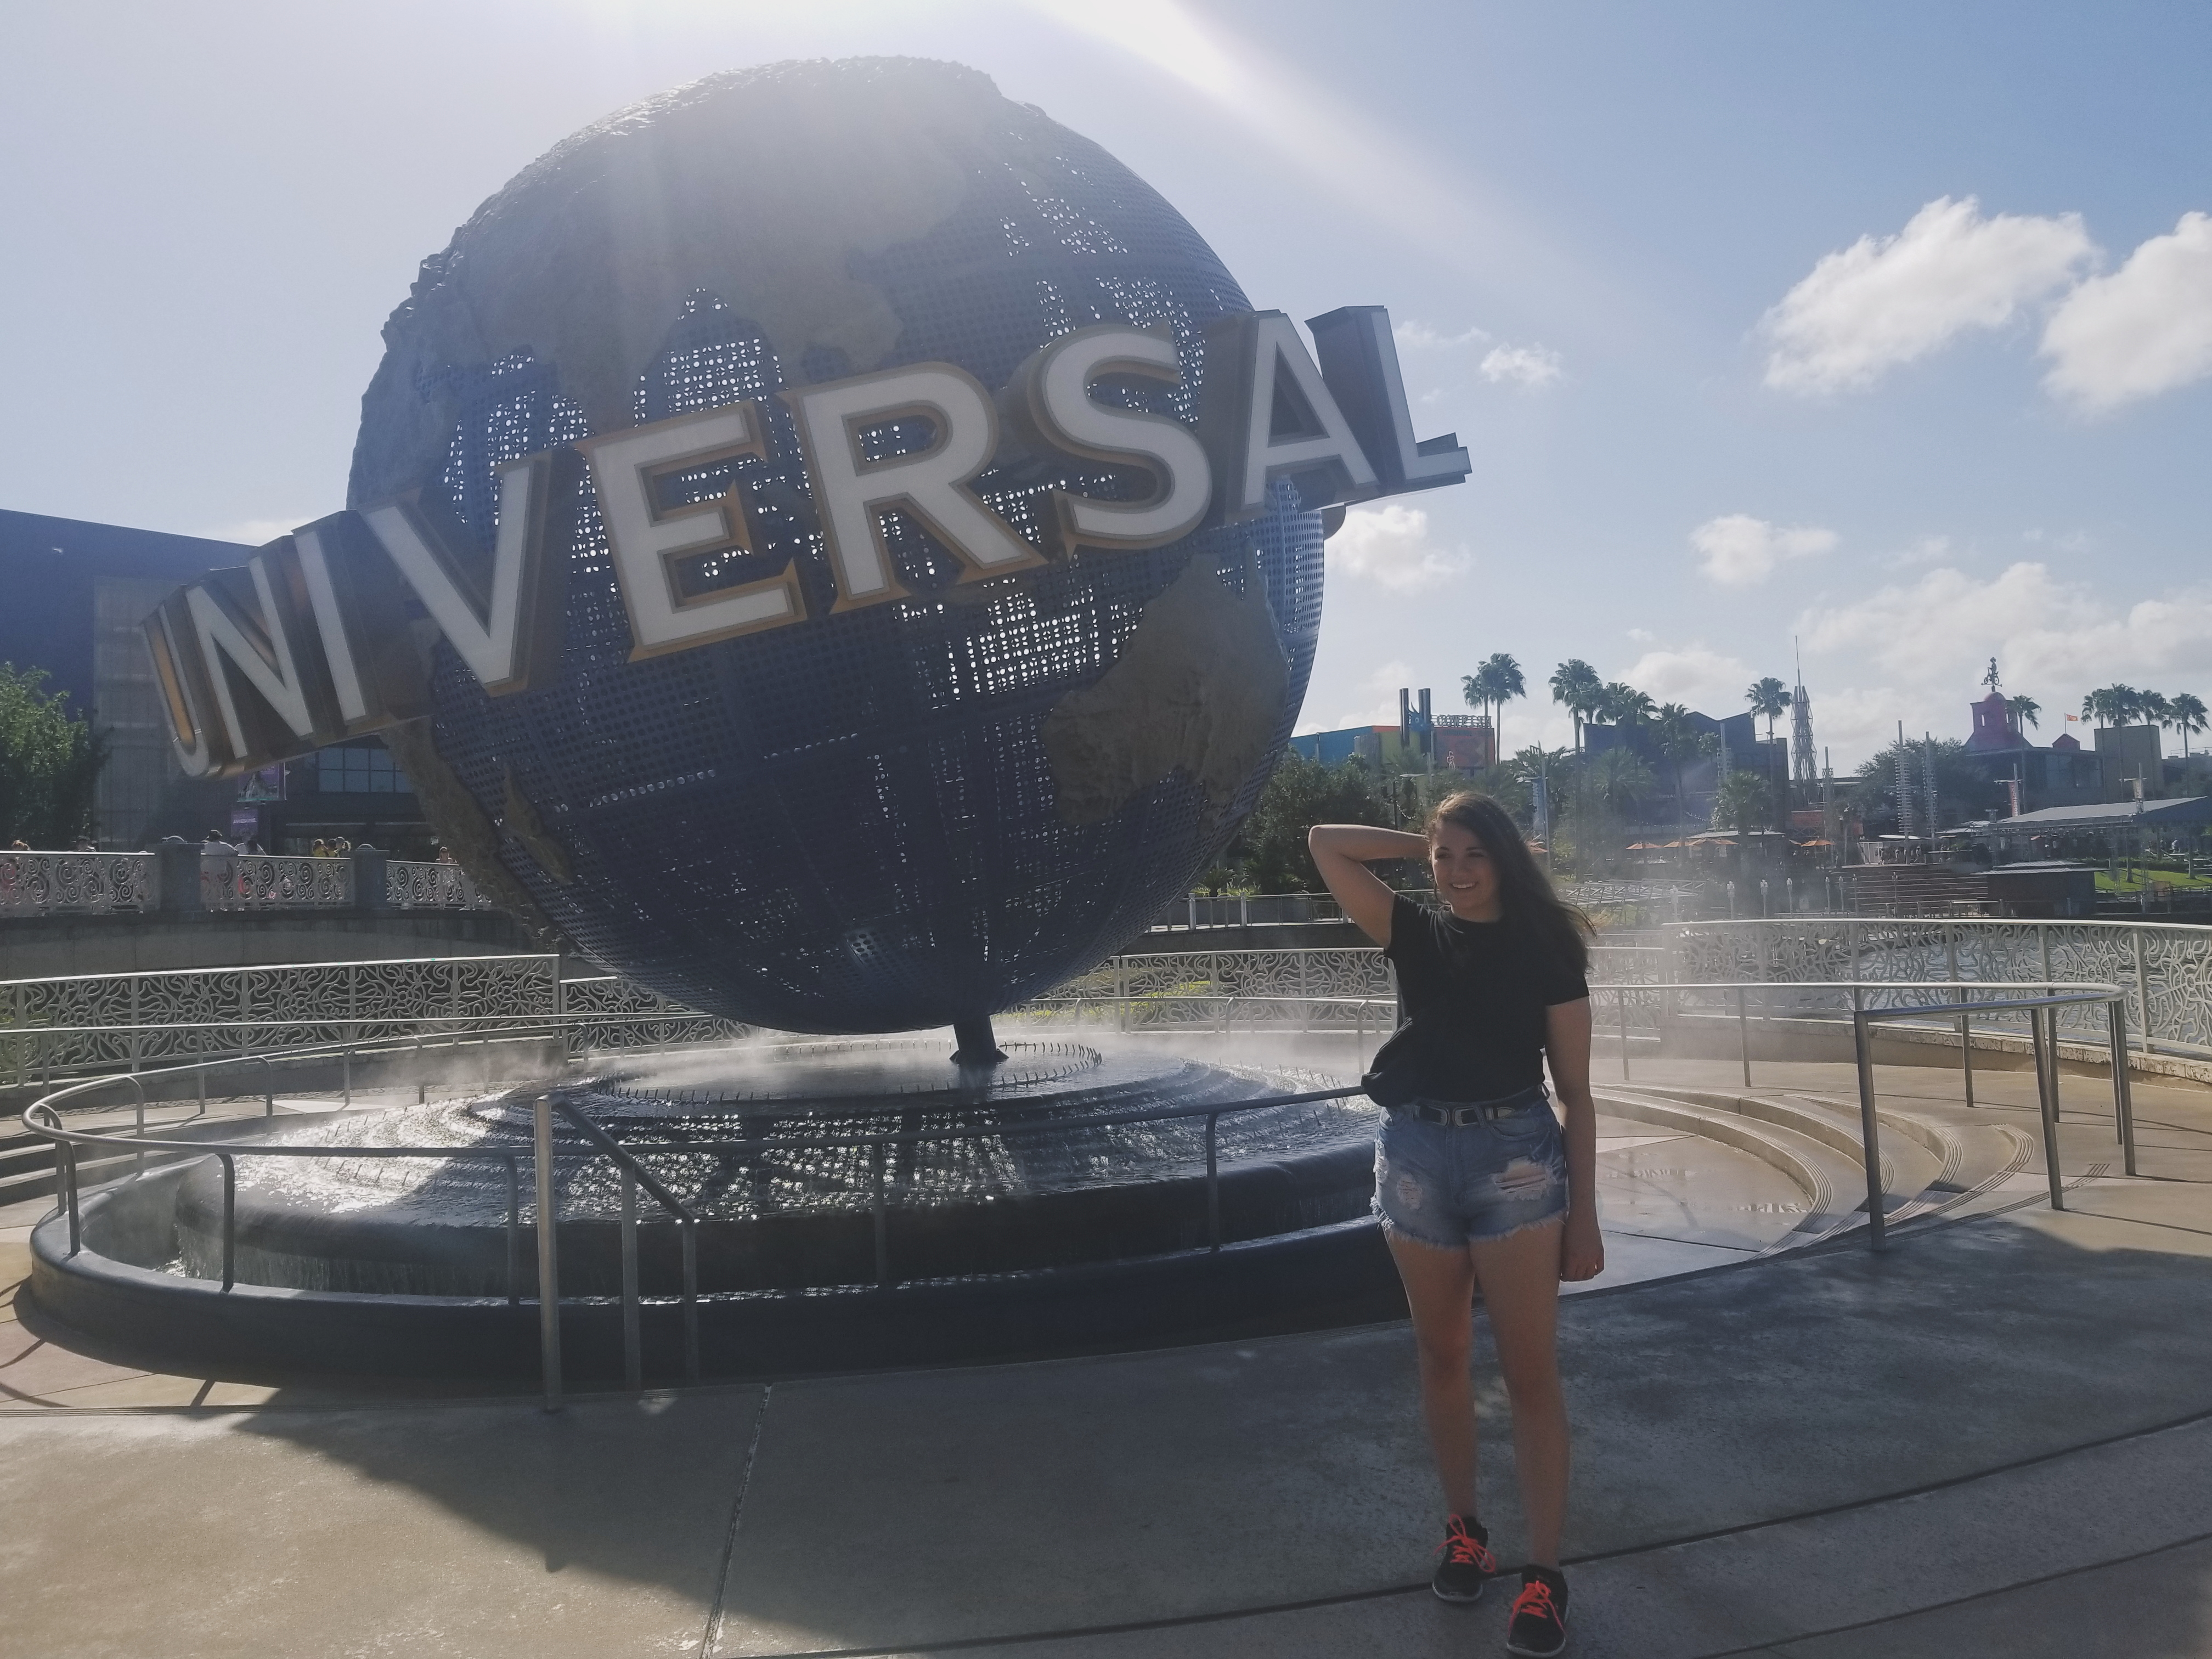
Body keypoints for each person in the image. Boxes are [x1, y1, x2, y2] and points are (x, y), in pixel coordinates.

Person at [1308, 793, 1601, 1657]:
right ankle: (1465, 1532)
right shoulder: (1413, 931)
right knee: (1442, 1355)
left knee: (1529, 1371)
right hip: (1415, 1158)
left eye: (1477, 854)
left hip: (1515, 1162)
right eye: (1447, 858)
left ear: (1506, 857)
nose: (1459, 872)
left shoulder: (1546, 946)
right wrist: (1426, 842)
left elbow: (1578, 1094)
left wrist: (1585, 1217)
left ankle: (1544, 1574)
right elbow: (1325, 842)